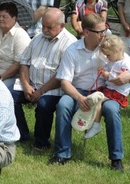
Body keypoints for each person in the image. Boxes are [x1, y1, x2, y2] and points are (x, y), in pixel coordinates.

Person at [50, 14, 124, 171]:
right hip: (78, 91)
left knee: (111, 109)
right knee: (63, 105)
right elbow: (64, 82)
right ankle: (62, 153)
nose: (104, 34)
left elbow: (125, 60)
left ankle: (116, 159)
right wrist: (79, 98)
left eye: (105, 30)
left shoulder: (108, 46)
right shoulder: (72, 50)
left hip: (105, 92)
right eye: (100, 32)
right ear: (87, 32)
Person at [17, 8, 77, 148]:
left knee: (43, 105)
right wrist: (26, 85)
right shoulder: (38, 37)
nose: (45, 29)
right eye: (43, 25)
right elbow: (24, 62)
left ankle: (41, 143)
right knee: (10, 97)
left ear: (62, 26)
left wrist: (41, 91)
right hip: (31, 85)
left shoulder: (70, 43)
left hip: (54, 89)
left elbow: (62, 75)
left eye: (49, 27)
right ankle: (21, 134)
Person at [83, 35, 130, 140]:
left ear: (117, 50)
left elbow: (120, 79)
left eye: (108, 55)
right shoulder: (113, 59)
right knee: (92, 97)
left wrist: (108, 75)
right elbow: (108, 67)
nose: (107, 58)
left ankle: (96, 125)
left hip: (118, 93)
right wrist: (103, 70)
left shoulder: (126, 62)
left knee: (97, 99)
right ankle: (91, 121)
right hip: (110, 89)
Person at [0, 3, 31, 94]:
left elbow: (18, 64)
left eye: (4, 16)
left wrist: (0, 77)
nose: (0, 19)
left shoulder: (20, 35)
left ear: (14, 18)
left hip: (13, 77)